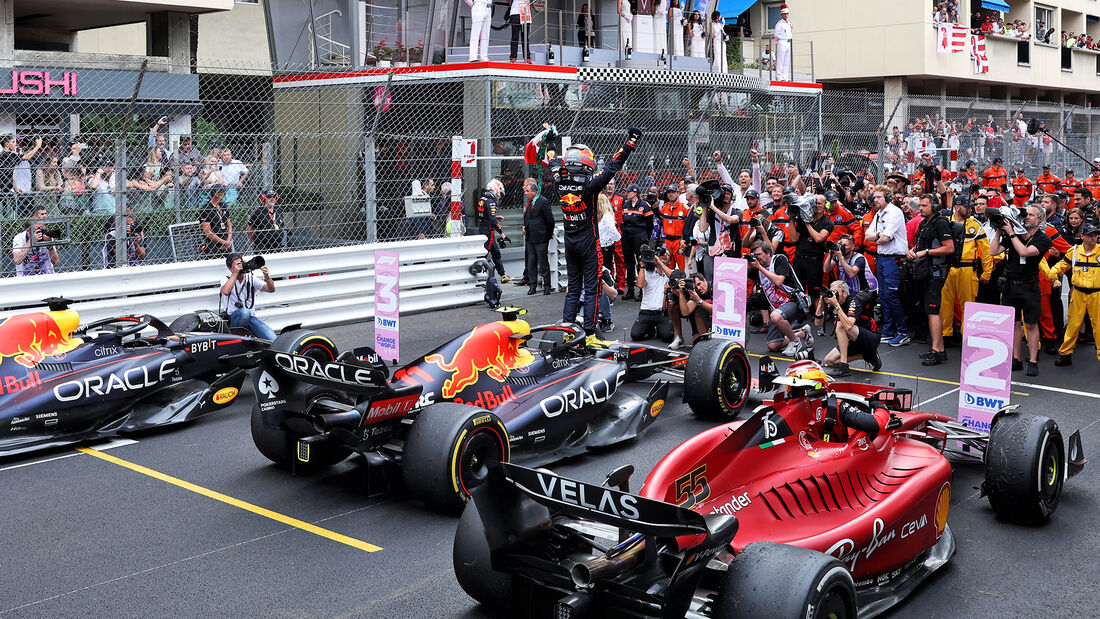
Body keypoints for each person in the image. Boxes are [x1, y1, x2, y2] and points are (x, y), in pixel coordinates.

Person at [525, 125, 640, 338]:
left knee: (573, 288)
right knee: (593, 290)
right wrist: (630, 141)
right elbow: (615, 165)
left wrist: (550, 139)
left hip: (570, 244)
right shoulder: (591, 184)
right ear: (586, 163)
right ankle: (588, 334)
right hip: (589, 245)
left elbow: (551, 158)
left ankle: (568, 329)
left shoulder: (558, 179)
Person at [989, 204, 1052, 376]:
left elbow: (1023, 251)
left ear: (1040, 219)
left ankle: (1032, 360)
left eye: (1031, 215)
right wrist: (998, 230)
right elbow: (993, 251)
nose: (1027, 217)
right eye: (1026, 214)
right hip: (1010, 284)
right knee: (1014, 323)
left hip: (1029, 286)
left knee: (1031, 324)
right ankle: (1016, 358)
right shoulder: (1013, 235)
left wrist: (1011, 232)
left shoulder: (1043, 239)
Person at [906, 194, 955, 365]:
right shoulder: (922, 224)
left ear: (934, 207)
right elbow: (919, 245)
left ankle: (936, 351)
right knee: (932, 311)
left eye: (924, 206)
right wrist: (913, 251)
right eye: (920, 205)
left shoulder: (940, 223)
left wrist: (925, 252)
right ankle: (939, 349)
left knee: (933, 311)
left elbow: (949, 248)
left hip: (935, 273)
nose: (920, 208)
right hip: (925, 272)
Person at [940, 197, 992, 344]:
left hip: (967, 268)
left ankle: (967, 335)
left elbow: (986, 250)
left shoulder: (975, 225)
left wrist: (987, 272)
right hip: (948, 268)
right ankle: (946, 334)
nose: (971, 209)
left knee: (968, 304)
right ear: (957, 208)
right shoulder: (945, 222)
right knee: (945, 303)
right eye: (967, 206)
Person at [748, 240, 813, 356]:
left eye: (759, 255)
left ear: (768, 253)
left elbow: (778, 281)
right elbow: (742, 278)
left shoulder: (779, 259)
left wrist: (759, 267)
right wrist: (745, 264)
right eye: (754, 255)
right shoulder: (758, 268)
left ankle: (795, 342)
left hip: (796, 301)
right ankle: (802, 333)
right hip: (779, 308)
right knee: (773, 345)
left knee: (775, 316)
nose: (757, 258)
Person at [1049, 223, 1100, 366]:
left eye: (1095, 235)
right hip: (1078, 293)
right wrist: (1052, 275)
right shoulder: (1075, 251)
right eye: (1090, 235)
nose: (1093, 238)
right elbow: (1061, 265)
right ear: (1082, 236)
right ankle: (1065, 354)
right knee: (1072, 325)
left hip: (1097, 295)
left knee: (1099, 328)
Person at [864, 185, 909, 345]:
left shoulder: (895, 213)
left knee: (891, 296)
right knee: (883, 296)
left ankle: (902, 331)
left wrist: (876, 237)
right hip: (882, 258)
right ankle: (889, 330)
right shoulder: (878, 214)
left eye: (878, 197)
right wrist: (878, 236)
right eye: (874, 197)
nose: (875, 200)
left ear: (888, 198)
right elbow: (867, 235)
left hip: (893, 259)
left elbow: (886, 238)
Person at [790, 193, 834, 335]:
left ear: (825, 206)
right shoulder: (803, 220)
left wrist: (807, 222)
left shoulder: (828, 223)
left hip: (814, 259)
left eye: (820, 204)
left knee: (815, 292)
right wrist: (792, 219)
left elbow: (819, 238)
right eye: (815, 204)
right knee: (798, 289)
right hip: (799, 257)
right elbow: (793, 238)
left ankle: (818, 319)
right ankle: (799, 316)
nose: (816, 206)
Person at [822, 280, 881, 376]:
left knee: (841, 325)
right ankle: (867, 356)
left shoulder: (854, 301)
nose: (833, 295)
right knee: (829, 360)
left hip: (871, 336)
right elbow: (818, 322)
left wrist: (836, 305)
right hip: (854, 339)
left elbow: (849, 326)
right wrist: (821, 302)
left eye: (835, 292)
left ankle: (843, 366)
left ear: (845, 294)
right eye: (831, 292)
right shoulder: (834, 303)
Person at [219, 253, 276, 341]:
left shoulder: (250, 278)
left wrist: (267, 276)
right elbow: (225, 291)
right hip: (233, 318)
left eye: (241, 263)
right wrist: (235, 273)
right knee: (244, 312)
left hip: (250, 318)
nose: (240, 266)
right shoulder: (226, 279)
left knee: (273, 339)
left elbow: (271, 289)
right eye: (237, 265)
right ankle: (234, 339)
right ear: (230, 268)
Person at [630, 246, 675, 342]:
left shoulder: (671, 273)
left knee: (668, 337)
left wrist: (659, 263)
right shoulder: (647, 271)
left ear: (670, 260)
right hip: (646, 311)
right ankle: (649, 328)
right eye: (662, 254)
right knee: (635, 335)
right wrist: (642, 266)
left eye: (667, 255)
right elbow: (640, 285)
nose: (664, 256)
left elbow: (673, 276)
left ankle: (658, 328)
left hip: (662, 313)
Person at [621, 182, 654, 300]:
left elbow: (650, 224)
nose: (626, 193)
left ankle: (642, 290)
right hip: (627, 235)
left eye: (628, 191)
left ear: (635, 193)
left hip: (639, 235)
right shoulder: (625, 205)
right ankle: (630, 289)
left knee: (641, 262)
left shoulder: (644, 205)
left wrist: (645, 236)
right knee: (629, 263)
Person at [522, 180, 554, 294]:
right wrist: (525, 226)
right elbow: (527, 217)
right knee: (531, 262)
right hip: (530, 237)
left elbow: (550, 220)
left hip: (541, 238)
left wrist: (548, 234)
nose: (526, 193)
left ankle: (547, 286)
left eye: (527, 191)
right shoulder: (530, 202)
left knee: (543, 261)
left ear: (534, 191)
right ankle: (532, 285)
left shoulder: (543, 201)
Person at [477, 178, 511, 283]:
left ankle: (502, 274)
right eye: (499, 192)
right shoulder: (491, 201)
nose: (499, 195)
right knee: (484, 253)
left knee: (495, 252)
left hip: (483, 228)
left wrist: (495, 217)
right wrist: (501, 233)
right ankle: (477, 276)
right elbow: (491, 220)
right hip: (488, 230)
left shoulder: (482, 199)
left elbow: (485, 216)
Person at [668, 271, 713, 348]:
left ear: (704, 280)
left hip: (721, 323)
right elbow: (685, 312)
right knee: (697, 345)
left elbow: (717, 311)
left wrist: (699, 301)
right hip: (703, 322)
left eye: (699, 284)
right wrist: (681, 293)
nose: (698, 288)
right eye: (695, 286)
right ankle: (704, 339)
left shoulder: (714, 287)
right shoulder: (695, 292)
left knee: (701, 306)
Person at [12, 207, 60, 276]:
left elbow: (56, 262)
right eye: (37, 230)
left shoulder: (46, 235)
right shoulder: (19, 238)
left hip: (47, 276)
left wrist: (50, 245)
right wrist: (31, 242)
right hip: (26, 278)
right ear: (28, 231)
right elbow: (17, 260)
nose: (40, 233)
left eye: (41, 228)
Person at [198, 184, 233, 257]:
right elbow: (208, 232)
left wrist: (228, 241)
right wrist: (223, 242)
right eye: (222, 192)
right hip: (213, 246)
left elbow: (229, 225)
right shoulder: (206, 209)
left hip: (226, 243)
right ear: (216, 194)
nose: (224, 194)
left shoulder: (223, 206)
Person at [659, 184, 688, 269]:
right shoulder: (664, 208)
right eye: (669, 193)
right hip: (667, 241)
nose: (671, 195)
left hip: (679, 242)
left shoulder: (684, 208)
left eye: (673, 192)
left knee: (682, 267)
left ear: (678, 193)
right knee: (667, 267)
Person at [774, 4, 793, 81]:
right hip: (782, 41)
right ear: (781, 14)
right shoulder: (779, 23)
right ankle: (779, 76)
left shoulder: (789, 24)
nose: (786, 15)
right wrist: (782, 38)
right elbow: (776, 34)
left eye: (786, 14)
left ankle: (785, 76)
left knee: (786, 60)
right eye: (784, 14)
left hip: (788, 42)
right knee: (780, 60)